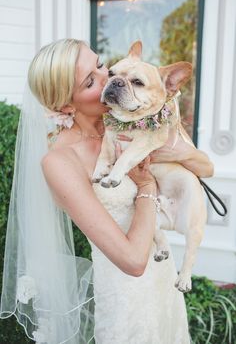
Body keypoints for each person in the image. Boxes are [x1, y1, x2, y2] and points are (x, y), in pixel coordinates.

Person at [0, 38, 213, 344]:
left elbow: (205, 169)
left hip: (163, 278)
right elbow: (133, 261)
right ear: (64, 105)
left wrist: (169, 145)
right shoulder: (61, 162)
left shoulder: (131, 120)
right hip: (126, 299)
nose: (107, 79)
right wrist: (146, 185)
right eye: (90, 81)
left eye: (101, 64)